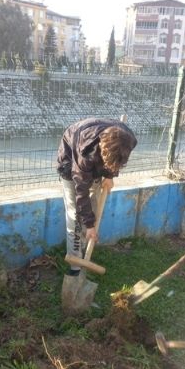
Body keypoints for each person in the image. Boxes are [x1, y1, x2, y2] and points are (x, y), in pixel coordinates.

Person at [56, 118, 137, 276]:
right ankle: (75, 265)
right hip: (70, 160)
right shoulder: (85, 154)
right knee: (76, 216)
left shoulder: (129, 140)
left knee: (92, 208)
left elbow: (117, 157)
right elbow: (81, 193)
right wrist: (90, 225)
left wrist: (110, 175)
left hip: (99, 158)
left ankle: (87, 248)